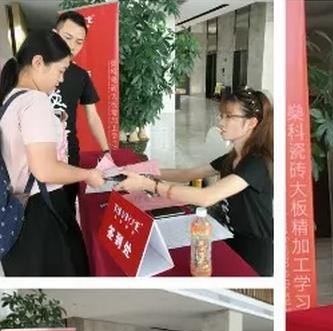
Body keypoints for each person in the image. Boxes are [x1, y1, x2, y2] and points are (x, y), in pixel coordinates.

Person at [115, 88, 273, 275]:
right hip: (228, 236)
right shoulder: (232, 157)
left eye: (229, 116)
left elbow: (207, 197)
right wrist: (144, 171)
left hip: (254, 252)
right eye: (221, 115)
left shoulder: (256, 163)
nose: (221, 122)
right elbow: (187, 174)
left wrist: (148, 185)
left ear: (252, 123)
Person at [0, 30, 104, 275]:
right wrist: (88, 175)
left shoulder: (10, 99)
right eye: (60, 71)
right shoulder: (36, 101)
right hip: (41, 211)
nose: (61, 79)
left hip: (17, 210)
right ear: (38, 62)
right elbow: (45, 170)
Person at [51, 10, 111, 203]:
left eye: (79, 42)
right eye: (67, 37)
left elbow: (93, 117)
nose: (72, 46)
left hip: (69, 153)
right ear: (54, 34)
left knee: (66, 206)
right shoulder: (36, 67)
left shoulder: (81, 76)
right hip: (38, 152)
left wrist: (106, 151)